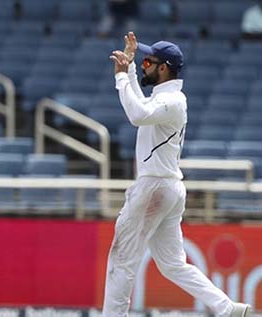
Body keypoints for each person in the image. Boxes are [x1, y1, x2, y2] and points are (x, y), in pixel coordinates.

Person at [104, 32, 252, 317]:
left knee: (122, 259)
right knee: (172, 264)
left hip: (154, 186)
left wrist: (122, 77)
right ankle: (228, 309)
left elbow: (137, 115)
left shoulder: (173, 100)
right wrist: (132, 68)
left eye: (149, 61)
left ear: (164, 68)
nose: (145, 64)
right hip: (167, 186)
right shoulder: (165, 98)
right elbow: (142, 110)